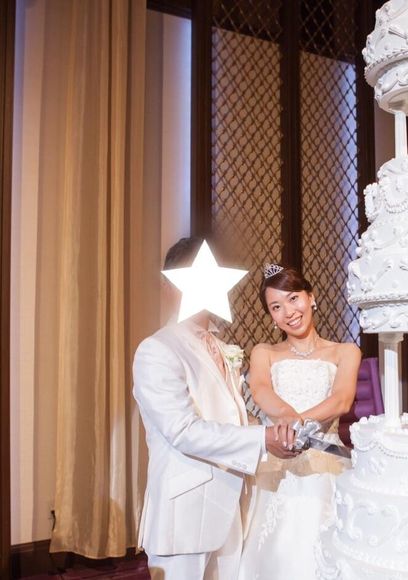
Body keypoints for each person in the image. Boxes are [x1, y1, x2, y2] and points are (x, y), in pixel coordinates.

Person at [132, 238, 299, 580]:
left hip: (231, 506)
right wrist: (262, 438)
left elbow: (233, 417)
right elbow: (183, 431)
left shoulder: (223, 348)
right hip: (184, 515)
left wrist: (273, 434)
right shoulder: (157, 350)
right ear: (169, 286)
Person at [238, 264, 361, 580]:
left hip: (326, 465)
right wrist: (289, 419)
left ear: (311, 297)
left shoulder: (345, 351)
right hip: (278, 464)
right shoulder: (264, 352)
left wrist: (300, 425)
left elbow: (341, 400)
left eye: (293, 298)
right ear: (271, 316)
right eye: (276, 307)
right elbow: (261, 390)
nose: (289, 312)